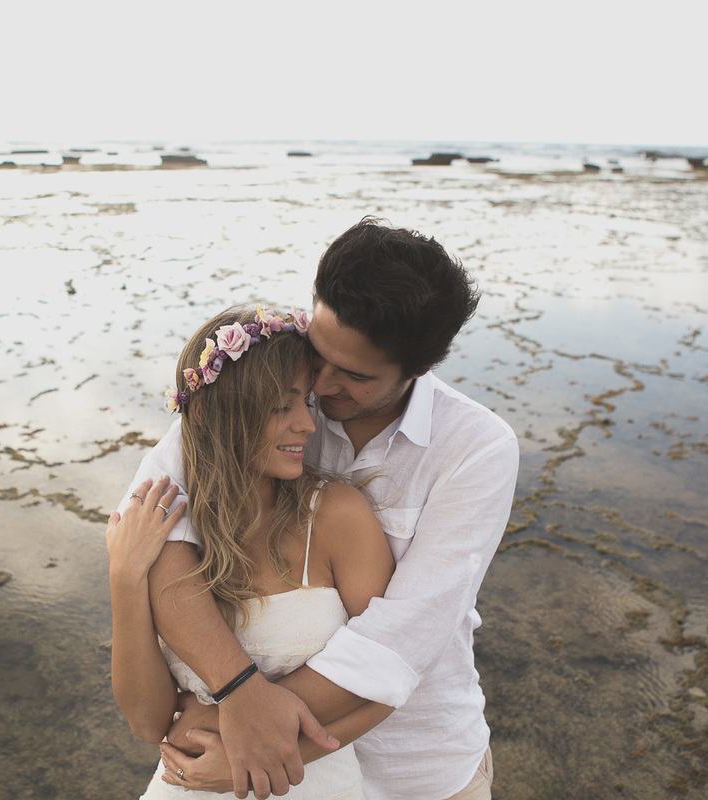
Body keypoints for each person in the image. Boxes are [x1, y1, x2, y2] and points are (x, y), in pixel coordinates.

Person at [127, 218, 520, 800]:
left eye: (355, 375)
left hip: (415, 767)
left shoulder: (476, 449)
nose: (322, 384)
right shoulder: (267, 389)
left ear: (419, 369)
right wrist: (237, 691)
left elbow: (405, 633)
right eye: (319, 353)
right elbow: (158, 533)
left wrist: (247, 727)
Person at [107, 305, 396, 799]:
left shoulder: (337, 515)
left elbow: (388, 683)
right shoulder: (163, 532)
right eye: (281, 408)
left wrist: (261, 755)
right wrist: (124, 578)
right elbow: (147, 722)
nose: (308, 425)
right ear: (209, 415)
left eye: (305, 402)